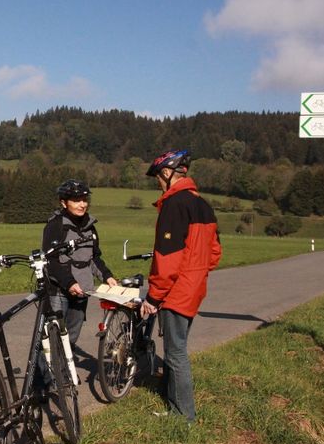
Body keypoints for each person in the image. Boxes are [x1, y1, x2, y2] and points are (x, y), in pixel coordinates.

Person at [139, 150, 221, 423]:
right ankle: (176, 407)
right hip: (194, 286)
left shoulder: (175, 204)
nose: (159, 185)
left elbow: (168, 260)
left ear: (166, 173)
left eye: (158, 179)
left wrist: (153, 296)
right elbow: (215, 253)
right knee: (177, 348)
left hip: (177, 290)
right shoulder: (202, 204)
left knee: (175, 354)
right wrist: (197, 273)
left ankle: (184, 416)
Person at [43, 179, 119, 348]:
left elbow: (94, 258)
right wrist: (69, 283)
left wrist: (107, 276)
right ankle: (46, 375)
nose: (82, 204)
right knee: (52, 341)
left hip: (81, 291)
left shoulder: (90, 227)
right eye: (76, 200)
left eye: (84, 200)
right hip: (59, 291)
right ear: (64, 203)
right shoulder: (55, 225)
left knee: (71, 338)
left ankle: (64, 374)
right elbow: (51, 260)